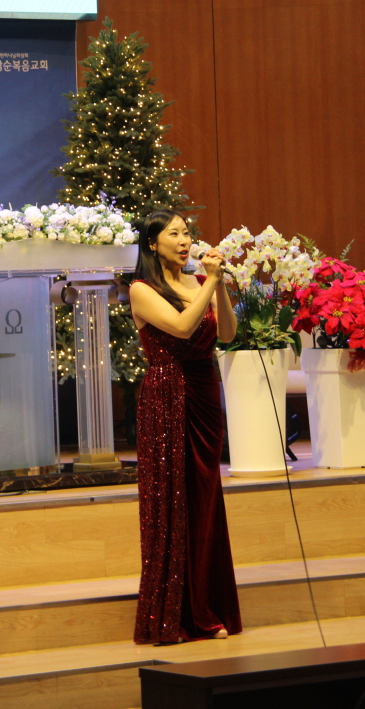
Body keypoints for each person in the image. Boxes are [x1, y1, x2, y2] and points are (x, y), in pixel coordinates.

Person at [129, 208, 242, 644]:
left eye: (187, 232)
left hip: (204, 390)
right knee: (176, 499)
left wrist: (219, 285)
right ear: (152, 243)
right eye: (173, 233)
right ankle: (176, 615)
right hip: (169, 394)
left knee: (205, 497)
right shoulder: (141, 289)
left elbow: (227, 334)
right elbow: (180, 327)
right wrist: (209, 282)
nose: (184, 240)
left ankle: (208, 605)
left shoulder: (199, 282)